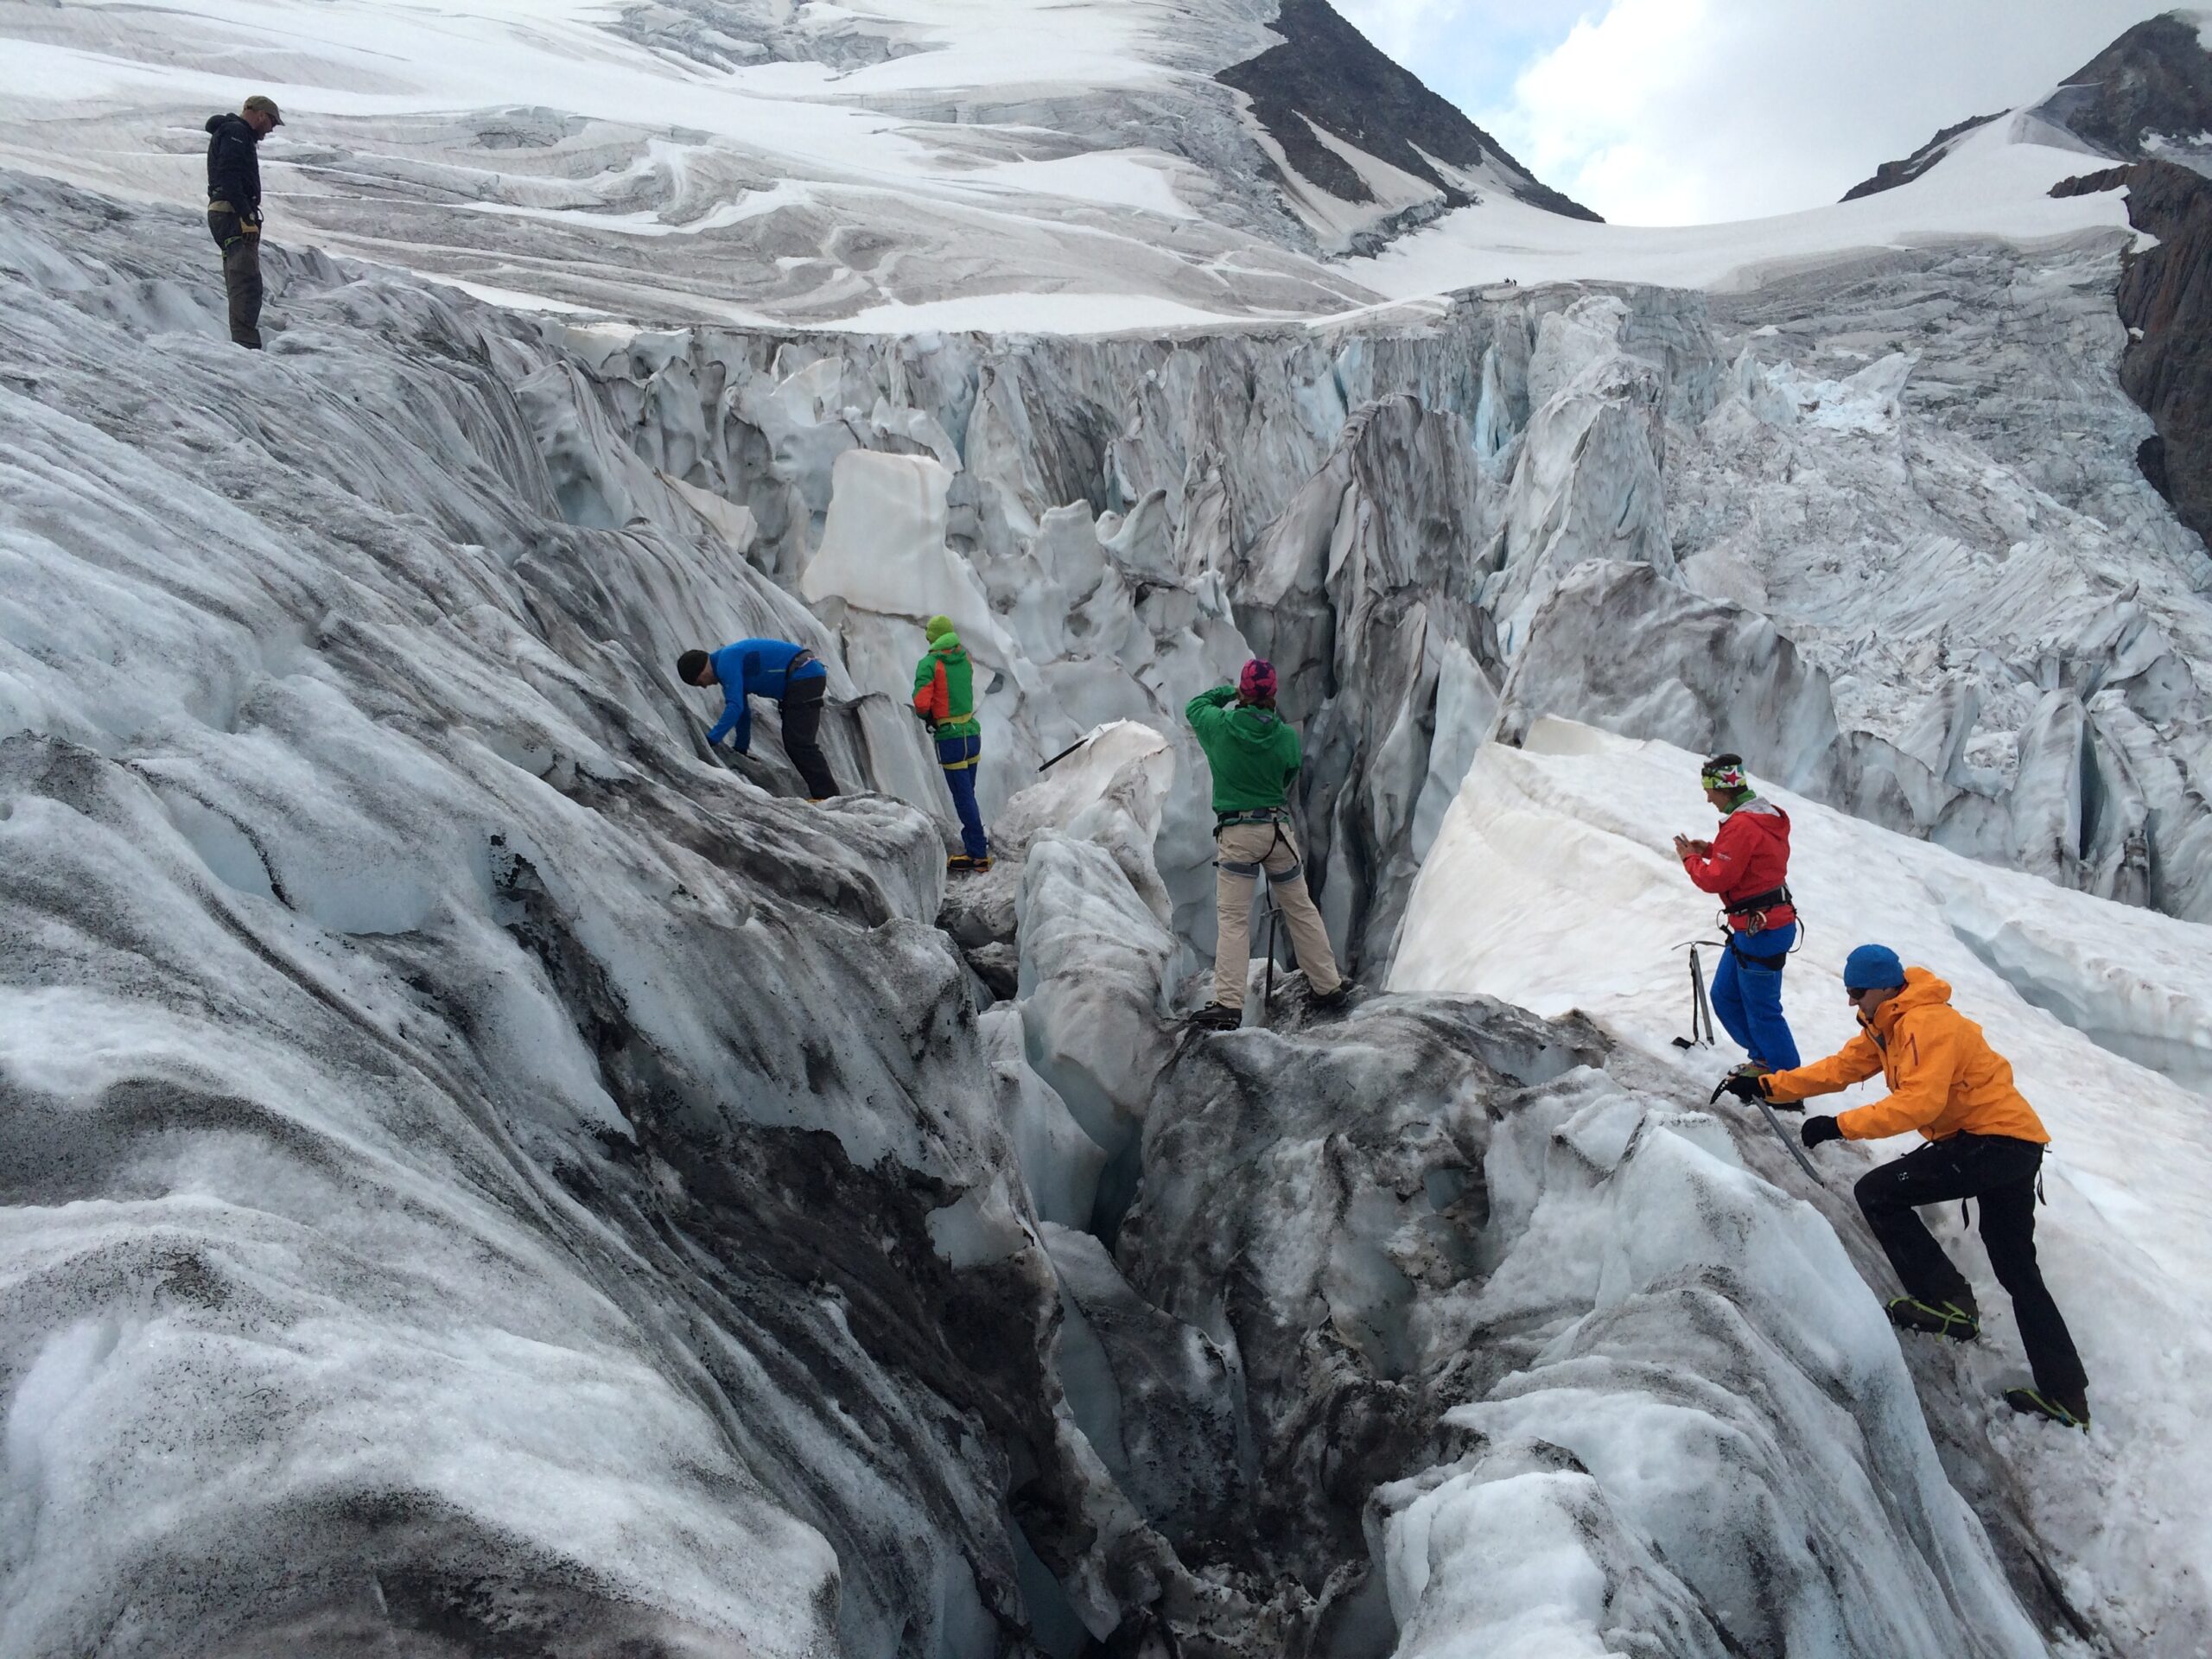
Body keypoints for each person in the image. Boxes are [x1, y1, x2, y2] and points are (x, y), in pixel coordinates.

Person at [1724, 944, 2091, 1429]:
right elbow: (1839, 1069)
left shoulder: (1925, 1024)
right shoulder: (1889, 1025)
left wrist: (1838, 1127)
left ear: (1883, 987)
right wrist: (1769, 1086)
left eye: (1857, 993)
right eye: (1849, 992)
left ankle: (1949, 1304)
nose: (1853, 1002)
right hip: (2007, 1145)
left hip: (1994, 1143)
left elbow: (1919, 1103)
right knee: (2017, 1269)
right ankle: (2067, 1397)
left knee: (1878, 1192)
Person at [1184, 659, 1346, 1030]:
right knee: (1300, 908)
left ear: (1243, 692)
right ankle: (1327, 985)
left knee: (1234, 919)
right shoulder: (1287, 737)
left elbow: (1194, 707)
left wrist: (1228, 692)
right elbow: (1290, 773)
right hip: (1276, 832)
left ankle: (1227, 1004)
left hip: (1238, 834)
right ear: (1273, 695)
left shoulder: (1219, 728)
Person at [1675, 753, 1800, 1076]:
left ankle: (1784, 1079)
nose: (1707, 797)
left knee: (1762, 1008)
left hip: (1762, 929)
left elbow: (1717, 879)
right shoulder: (1765, 815)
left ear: (1723, 788)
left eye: (1710, 790)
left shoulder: (1741, 825)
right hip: (1760, 925)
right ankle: (1764, 1060)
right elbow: (1756, 861)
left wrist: (1691, 860)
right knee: (1725, 996)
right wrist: (1710, 851)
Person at [677, 640, 836, 799]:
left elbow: (735, 707)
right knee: (798, 742)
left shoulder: (726, 661)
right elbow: (742, 712)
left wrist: (711, 739)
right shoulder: (726, 662)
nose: (705, 686)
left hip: (803, 676)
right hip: (804, 675)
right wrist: (741, 748)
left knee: (799, 743)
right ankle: (825, 794)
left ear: (701, 671)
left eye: (700, 683)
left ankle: (827, 796)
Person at [912, 615, 990, 873]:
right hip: (972, 732)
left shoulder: (930, 664)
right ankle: (975, 842)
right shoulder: (964, 658)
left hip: (951, 737)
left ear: (932, 637)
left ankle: (977, 855)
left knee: (962, 796)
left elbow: (922, 703)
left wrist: (929, 717)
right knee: (969, 793)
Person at [206, 95, 282, 349]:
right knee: (245, 282)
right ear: (260, 115)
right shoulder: (236, 134)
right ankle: (245, 346)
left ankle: (243, 341)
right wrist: (245, 214)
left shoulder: (233, 133)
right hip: (232, 215)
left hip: (226, 212)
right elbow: (229, 174)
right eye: (272, 122)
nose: (270, 129)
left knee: (242, 279)